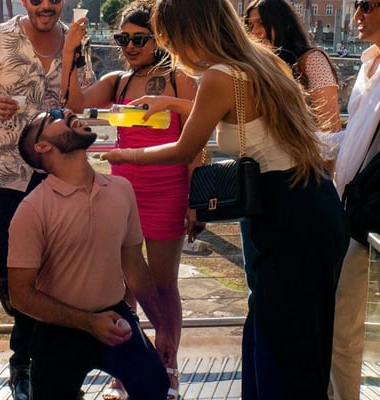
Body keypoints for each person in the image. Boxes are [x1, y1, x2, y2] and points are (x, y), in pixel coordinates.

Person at [102, 0, 349, 398]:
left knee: (280, 345)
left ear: (189, 32)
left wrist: (125, 156)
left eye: (170, 40)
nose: (173, 52)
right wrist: (171, 103)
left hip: (285, 212)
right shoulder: (262, 61)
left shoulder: (220, 76)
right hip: (312, 201)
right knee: (297, 342)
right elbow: (239, 110)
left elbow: (185, 149)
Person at [63, 2, 198, 398]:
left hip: (168, 191)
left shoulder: (179, 80)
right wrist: (71, 52)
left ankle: (168, 368)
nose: (130, 46)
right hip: (122, 195)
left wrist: (195, 199)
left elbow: (196, 141)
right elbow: (74, 104)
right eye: (123, 39)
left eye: (140, 39)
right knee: (123, 288)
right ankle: (126, 371)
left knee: (163, 285)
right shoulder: (117, 81)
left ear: (160, 39)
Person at [0, 2, 94, 398]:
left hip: (56, 170)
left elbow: (79, 106)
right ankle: (30, 346)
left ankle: (27, 361)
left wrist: (70, 52)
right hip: (5, 169)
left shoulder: (77, 41)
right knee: (5, 263)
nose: (46, 5)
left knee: (51, 269)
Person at [9, 108, 174, 400]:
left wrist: (162, 328)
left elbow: (135, 266)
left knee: (156, 388)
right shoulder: (32, 209)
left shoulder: (121, 189)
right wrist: (87, 322)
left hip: (115, 319)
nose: (68, 111)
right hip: (57, 331)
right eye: (54, 115)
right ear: (42, 146)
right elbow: (20, 295)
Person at [318, 2, 380, 398]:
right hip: (349, 207)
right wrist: (304, 140)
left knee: (344, 327)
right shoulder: (368, 63)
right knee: (340, 323)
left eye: (367, 5)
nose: (357, 14)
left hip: (368, 216)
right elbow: (353, 139)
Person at [244, 0, 342, 133]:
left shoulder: (312, 61)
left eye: (262, 23)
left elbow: (331, 127)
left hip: (306, 145)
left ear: (283, 25)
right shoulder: (260, 66)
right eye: (250, 26)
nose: (254, 32)